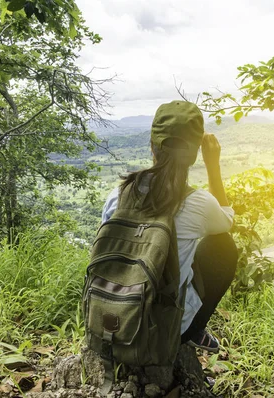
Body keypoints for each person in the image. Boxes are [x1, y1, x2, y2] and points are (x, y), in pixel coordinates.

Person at [101, 100, 238, 353]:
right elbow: (227, 219)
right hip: (164, 333)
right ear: (194, 154)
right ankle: (193, 329)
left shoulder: (118, 194)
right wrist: (213, 165)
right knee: (222, 246)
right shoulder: (197, 203)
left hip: (109, 322)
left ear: (152, 146)